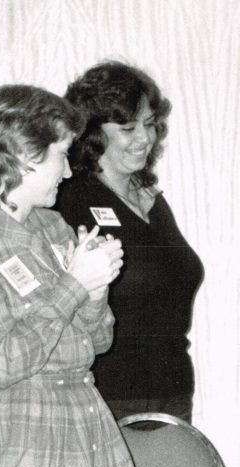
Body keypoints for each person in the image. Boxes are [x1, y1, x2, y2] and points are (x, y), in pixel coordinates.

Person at [0, 84, 140, 467]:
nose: (67, 173)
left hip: (88, 415)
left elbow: (98, 343)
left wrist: (96, 293)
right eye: (62, 155)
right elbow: (2, 364)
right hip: (22, 433)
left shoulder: (53, 228)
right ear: (25, 155)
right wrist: (74, 285)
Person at [54, 61, 203, 423]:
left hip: (173, 389)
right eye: (127, 128)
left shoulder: (151, 198)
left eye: (150, 125)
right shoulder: (69, 200)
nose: (145, 139)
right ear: (93, 132)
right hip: (108, 397)